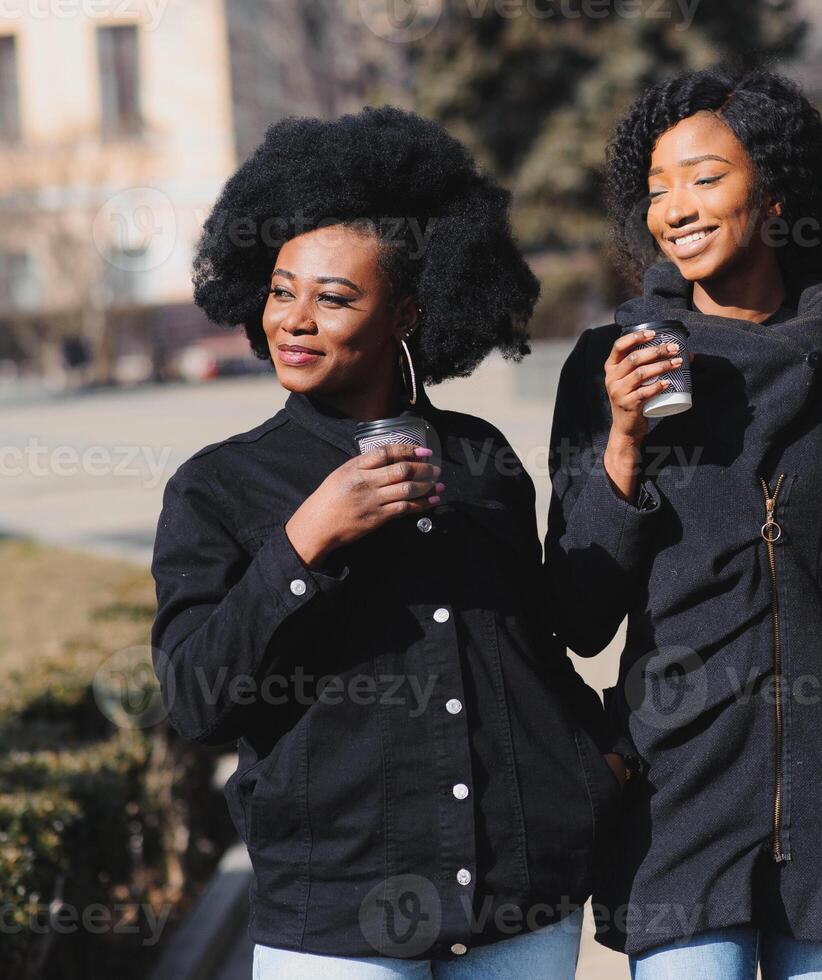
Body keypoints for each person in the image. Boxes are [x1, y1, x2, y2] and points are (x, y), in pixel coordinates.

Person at [151, 106, 622, 979]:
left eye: (334, 297)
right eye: (282, 289)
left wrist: (596, 762)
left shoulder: (480, 456)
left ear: (404, 313)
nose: (295, 319)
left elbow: (537, 644)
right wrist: (303, 544)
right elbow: (195, 698)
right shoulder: (219, 486)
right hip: (336, 910)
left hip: (517, 898)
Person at [544, 68, 822, 980]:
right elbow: (576, 615)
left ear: (773, 196)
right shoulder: (606, 366)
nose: (674, 208)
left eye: (704, 178)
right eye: (656, 189)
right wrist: (621, 441)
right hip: (674, 795)